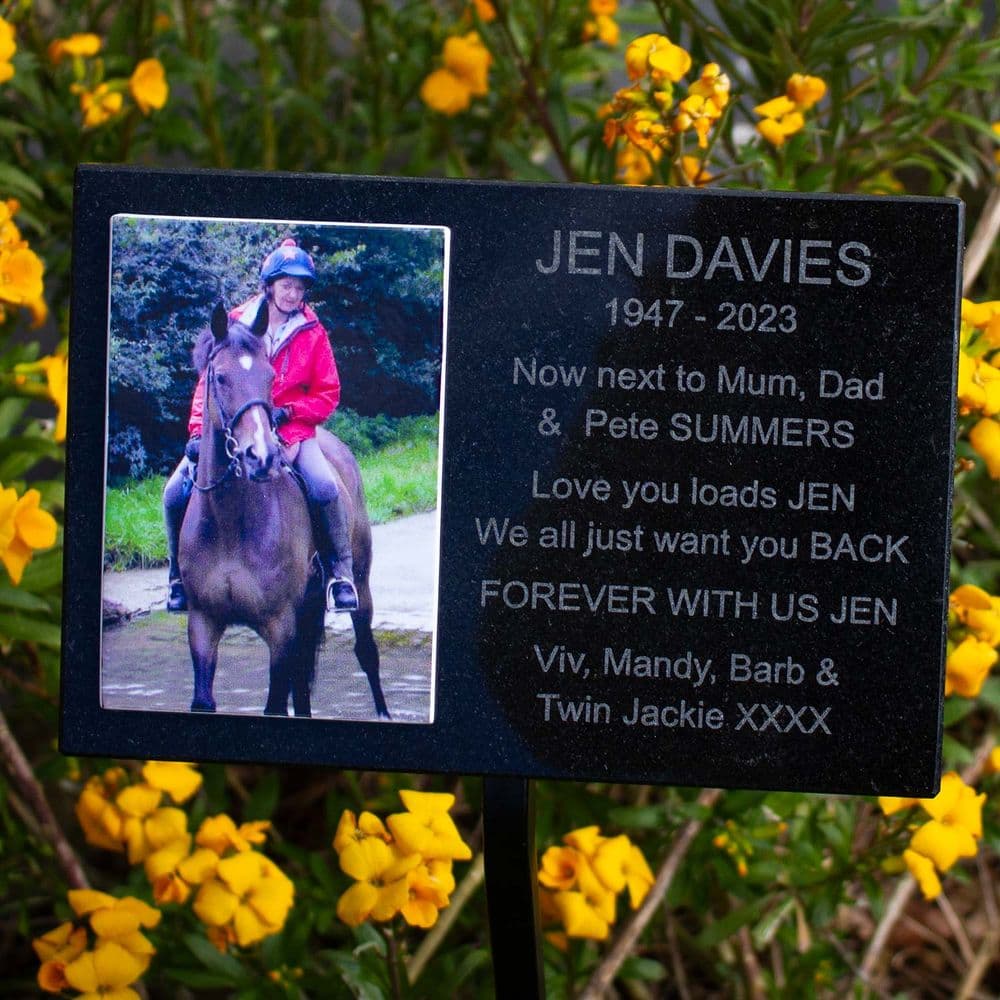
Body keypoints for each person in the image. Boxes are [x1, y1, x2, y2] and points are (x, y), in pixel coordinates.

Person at [162, 238, 360, 613]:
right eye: (286, 285)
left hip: (290, 431)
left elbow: (328, 392)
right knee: (174, 492)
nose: (292, 293)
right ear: (269, 285)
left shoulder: (313, 332)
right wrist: (196, 430)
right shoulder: (237, 323)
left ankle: (341, 574)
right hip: (233, 433)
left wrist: (289, 414)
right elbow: (210, 382)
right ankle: (177, 577)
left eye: (300, 287)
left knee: (323, 485)